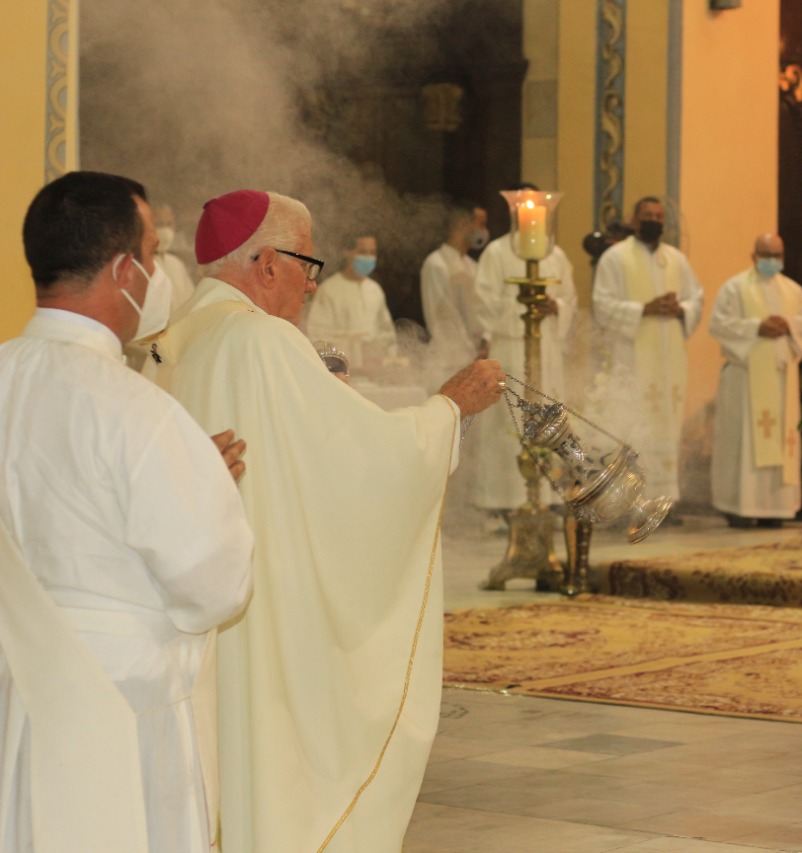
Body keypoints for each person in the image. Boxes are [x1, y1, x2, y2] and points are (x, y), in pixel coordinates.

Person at [150, 189, 506, 852]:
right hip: (266, 607)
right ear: (264, 263)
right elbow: (365, 465)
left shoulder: (173, 340)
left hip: (195, 610)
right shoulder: (261, 338)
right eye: (307, 264)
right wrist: (448, 409)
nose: (313, 284)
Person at [0, 171, 253, 852]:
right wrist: (203, 488)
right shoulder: (136, 410)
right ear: (124, 271)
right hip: (121, 699)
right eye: (152, 251)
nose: (158, 269)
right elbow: (213, 586)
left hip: (20, 694)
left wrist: (183, 474)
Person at [470, 190, 577, 516]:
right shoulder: (497, 252)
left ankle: (548, 496)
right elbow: (483, 302)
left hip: (545, 346)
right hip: (511, 346)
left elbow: (569, 298)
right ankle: (503, 500)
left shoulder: (556, 254)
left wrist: (554, 306)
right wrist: (524, 305)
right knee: (509, 419)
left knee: (547, 416)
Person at [593, 196, 704, 508]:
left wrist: (679, 308)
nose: (654, 220)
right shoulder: (615, 258)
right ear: (634, 219)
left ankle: (662, 498)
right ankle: (629, 500)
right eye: (647, 215)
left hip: (669, 363)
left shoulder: (676, 259)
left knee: (666, 425)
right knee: (632, 424)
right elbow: (603, 305)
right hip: (631, 360)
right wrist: (644, 309)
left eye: (659, 215)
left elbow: (696, 298)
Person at [709, 234, 802, 528]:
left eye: (777, 255)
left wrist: (788, 326)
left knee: (779, 443)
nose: (772, 260)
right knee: (744, 443)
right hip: (745, 380)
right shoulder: (735, 287)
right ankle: (740, 506)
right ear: (753, 255)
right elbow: (719, 323)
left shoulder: (793, 291)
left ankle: (775, 509)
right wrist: (757, 327)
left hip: (781, 378)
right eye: (766, 254)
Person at [420, 202, 488, 393]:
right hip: (448, 361)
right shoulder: (436, 264)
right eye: (480, 224)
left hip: (475, 357)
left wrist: (484, 342)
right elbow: (443, 316)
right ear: (462, 224)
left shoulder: (472, 266)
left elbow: (481, 311)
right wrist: (469, 351)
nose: (483, 231)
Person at [302, 232, 396, 368]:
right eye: (362, 252)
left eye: (372, 253)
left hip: (374, 370)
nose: (368, 258)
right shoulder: (329, 289)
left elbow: (388, 333)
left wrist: (380, 348)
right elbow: (316, 336)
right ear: (347, 252)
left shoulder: (375, 290)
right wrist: (355, 344)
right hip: (340, 370)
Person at [154, 202, 197, 316]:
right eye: (159, 224)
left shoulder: (176, 264)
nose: (165, 229)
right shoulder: (142, 265)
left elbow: (191, 303)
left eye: (169, 223)